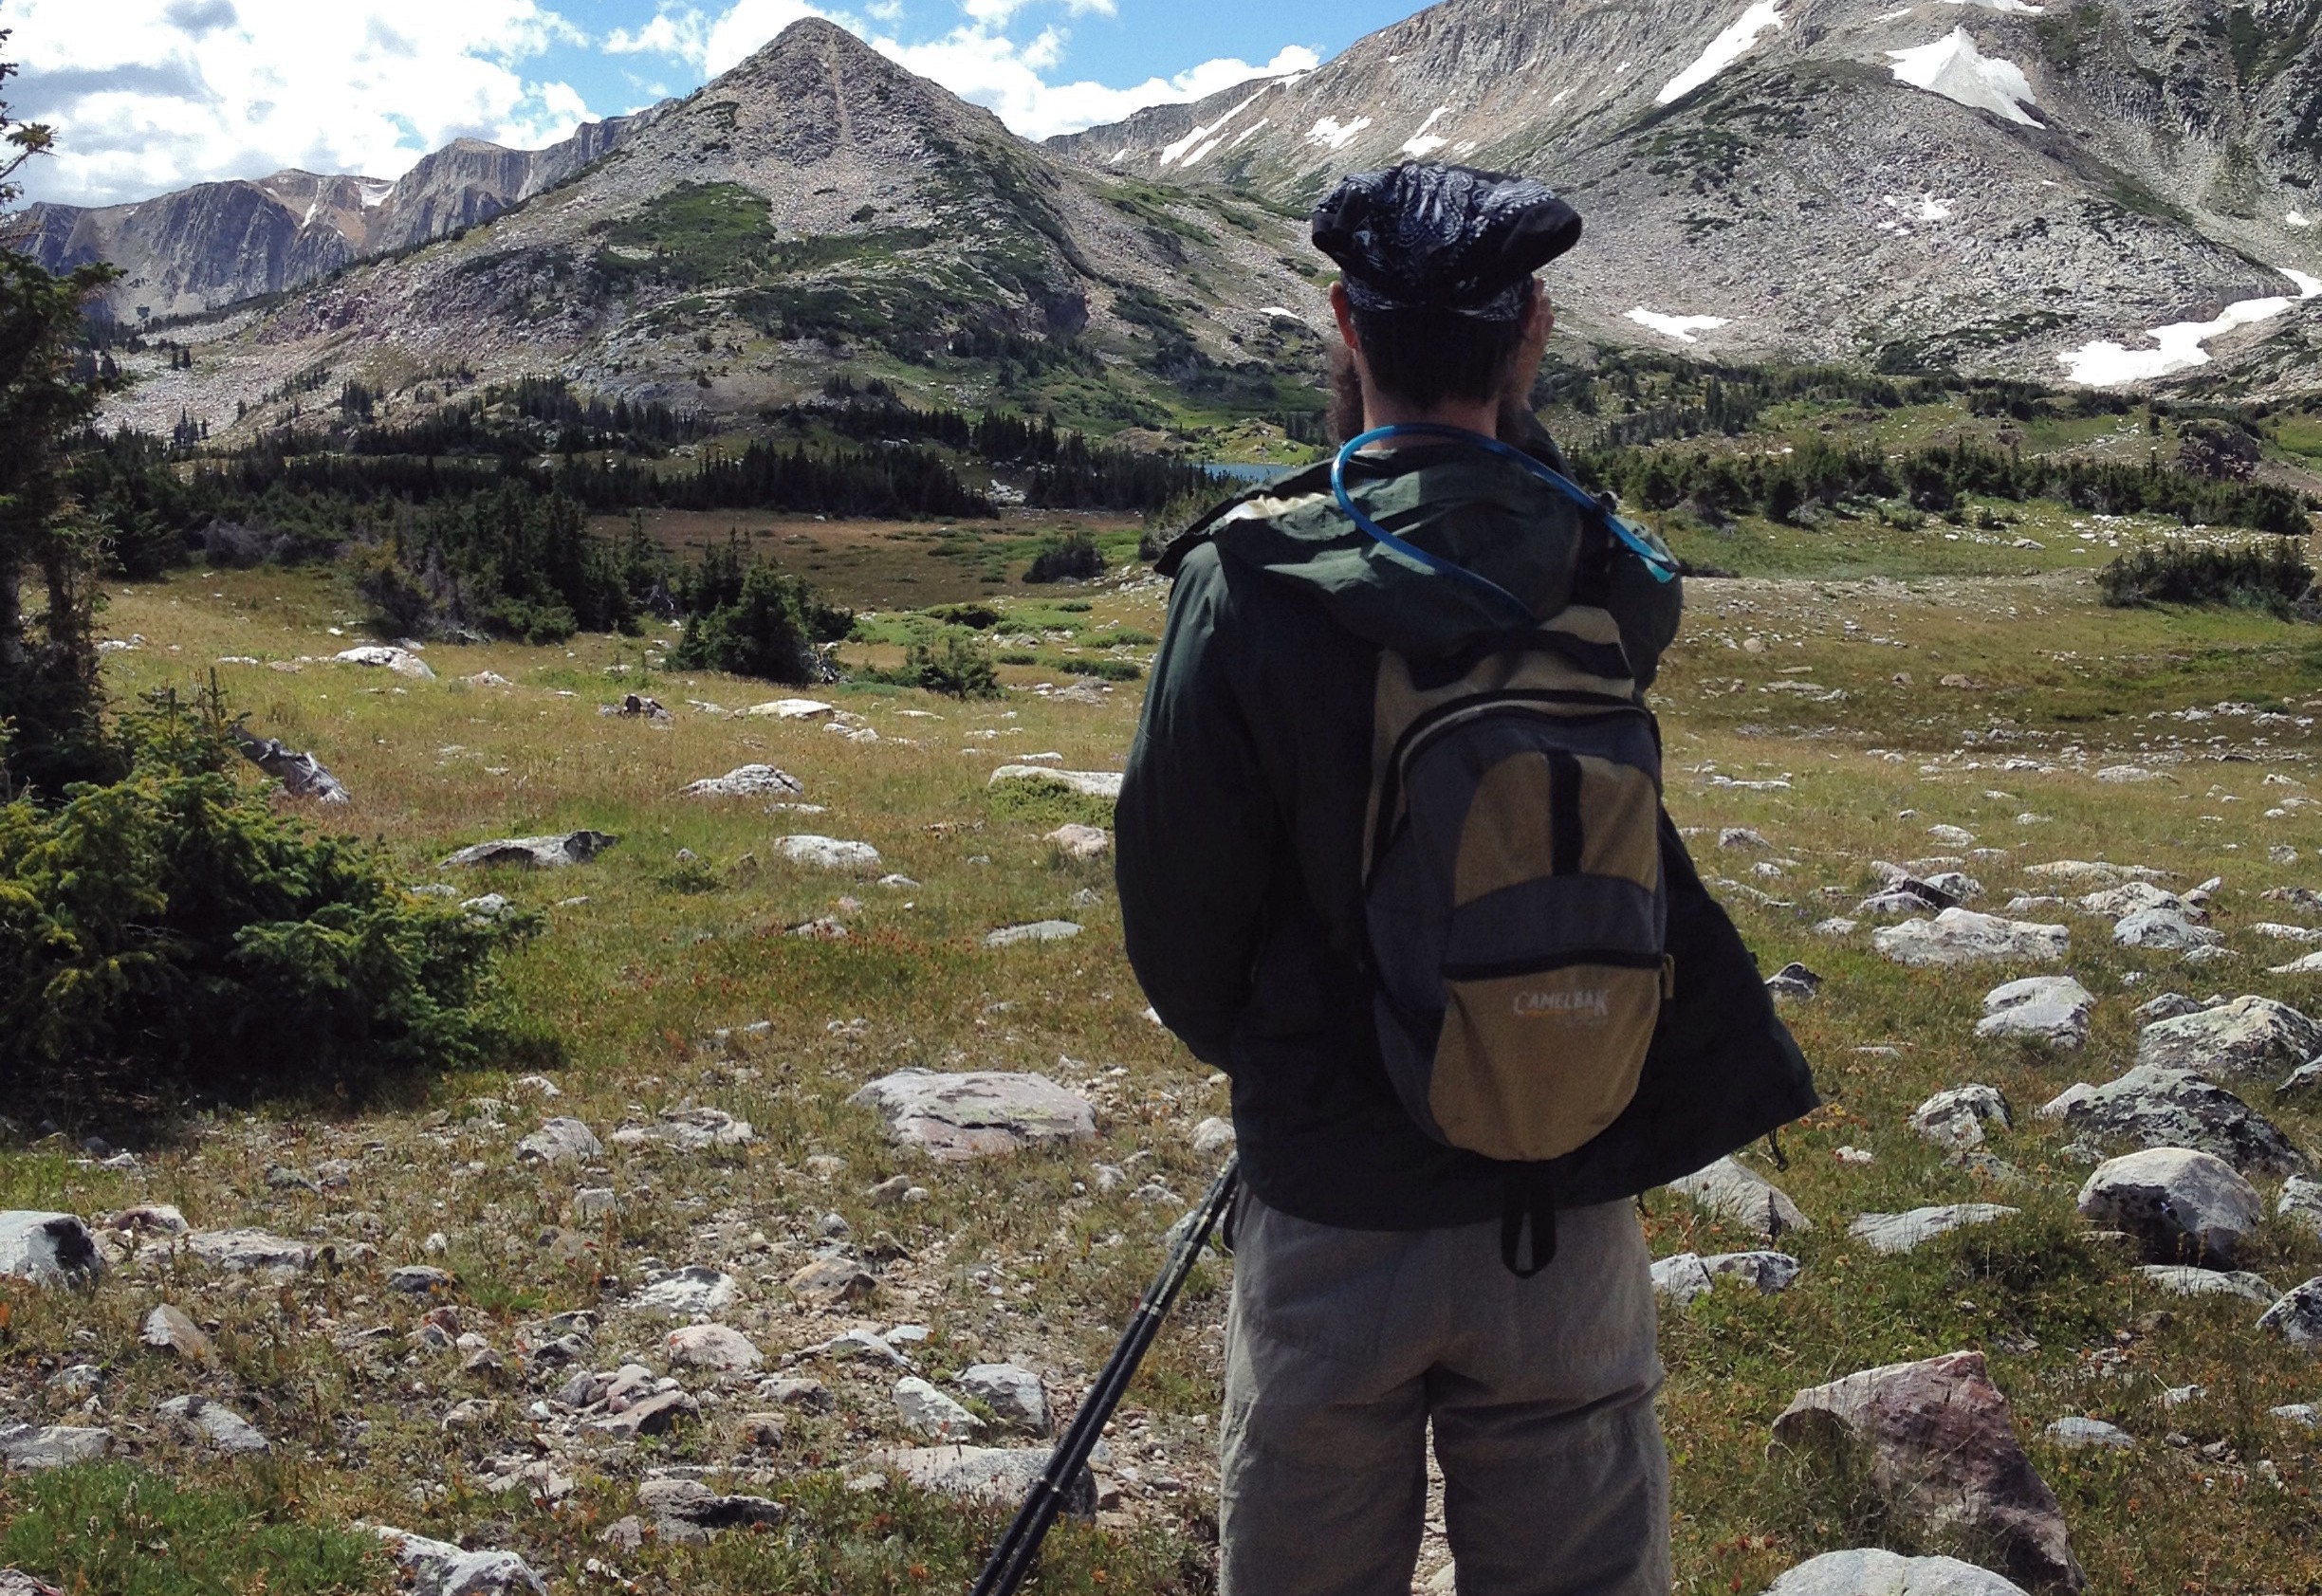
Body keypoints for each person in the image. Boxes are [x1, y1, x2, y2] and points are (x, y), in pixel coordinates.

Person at [1115, 163, 1818, 1596]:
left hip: (1332, 1193)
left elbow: (1178, 925)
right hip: (1564, 1175)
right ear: (1533, 334)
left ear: (1342, 323)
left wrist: (1292, 1057)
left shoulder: (1248, 579)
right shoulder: (1611, 570)